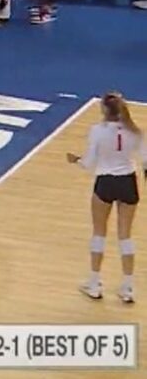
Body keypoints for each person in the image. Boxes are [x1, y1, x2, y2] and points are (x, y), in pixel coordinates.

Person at [69, 92, 143, 304]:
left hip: (105, 182)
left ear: (104, 110)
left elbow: (89, 163)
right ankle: (128, 287)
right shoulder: (135, 131)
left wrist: (76, 160)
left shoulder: (97, 131)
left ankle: (94, 283)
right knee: (125, 236)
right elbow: (145, 160)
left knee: (99, 233)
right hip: (128, 182)